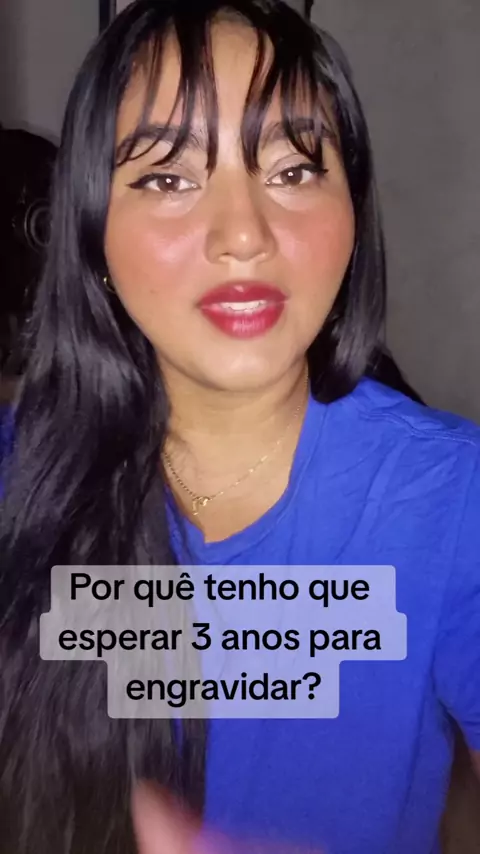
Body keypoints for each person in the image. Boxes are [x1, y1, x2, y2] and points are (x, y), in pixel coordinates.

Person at [0, 1, 479, 853]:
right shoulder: (22, 477)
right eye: (168, 178)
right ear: (93, 232)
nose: (244, 235)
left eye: (293, 169)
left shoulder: (450, 502)